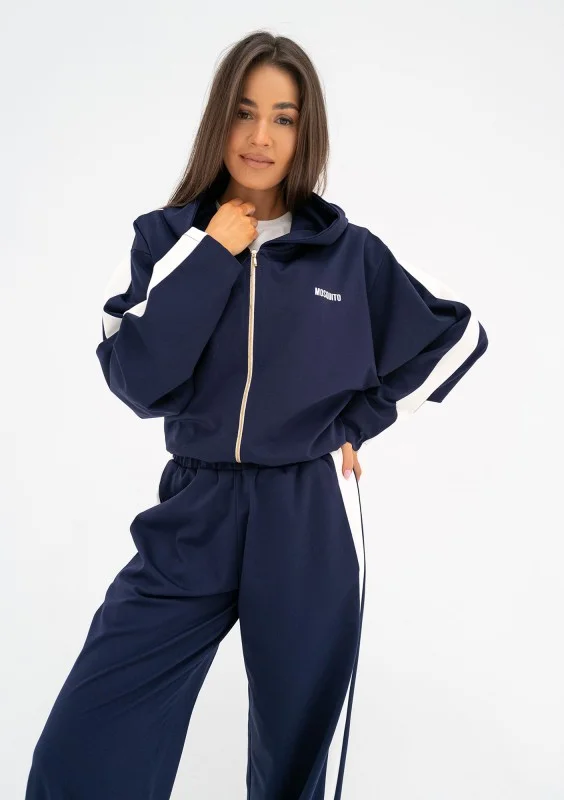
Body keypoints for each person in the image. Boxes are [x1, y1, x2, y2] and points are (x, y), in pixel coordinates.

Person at [25, 29, 488, 800]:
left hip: (306, 514)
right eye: (245, 112)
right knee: (86, 745)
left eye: (283, 117)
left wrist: (354, 423)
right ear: (221, 119)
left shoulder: (350, 254)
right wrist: (212, 252)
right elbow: (138, 379)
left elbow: (455, 336)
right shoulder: (166, 239)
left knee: (294, 762)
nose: (261, 136)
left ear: (306, 133)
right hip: (195, 510)